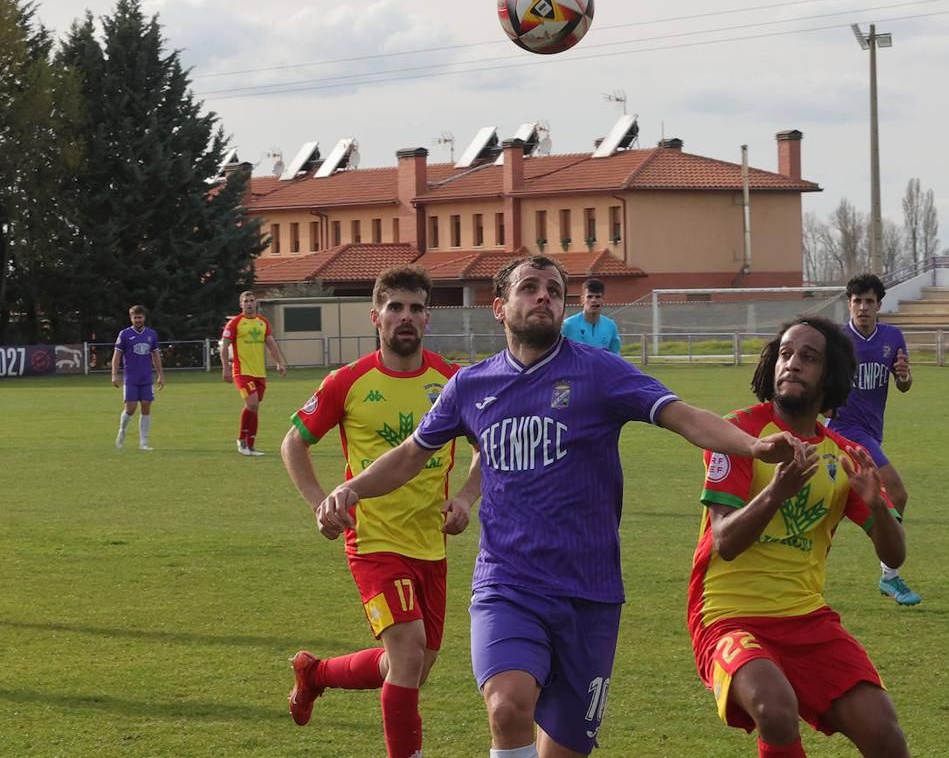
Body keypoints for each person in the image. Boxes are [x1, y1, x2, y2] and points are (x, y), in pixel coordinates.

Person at [313, 255, 804, 758]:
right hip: (508, 585)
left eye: (553, 288)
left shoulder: (601, 372)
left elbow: (684, 417)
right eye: (530, 287)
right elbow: (409, 456)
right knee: (507, 706)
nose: (544, 295)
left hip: (590, 594)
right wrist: (353, 488)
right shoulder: (470, 386)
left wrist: (753, 446)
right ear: (501, 308)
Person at [281, 266, 481, 758]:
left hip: (430, 542)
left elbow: (487, 447)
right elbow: (294, 442)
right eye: (395, 307)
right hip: (372, 540)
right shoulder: (347, 381)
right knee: (408, 654)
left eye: (415, 308)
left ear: (427, 319)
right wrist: (321, 507)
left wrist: (466, 497)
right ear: (376, 316)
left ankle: (316, 673)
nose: (405, 317)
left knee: (413, 665)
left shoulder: (452, 382)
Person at [689, 316, 910, 758]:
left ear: (829, 377)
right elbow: (725, 542)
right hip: (729, 616)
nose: (792, 364)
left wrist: (880, 507)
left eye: (808, 358)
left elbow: (895, 555)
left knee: (883, 731)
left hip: (807, 619)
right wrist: (776, 492)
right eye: (786, 354)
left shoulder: (845, 456)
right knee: (775, 707)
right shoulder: (741, 435)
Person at [827, 273, 922, 606]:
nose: (863, 307)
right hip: (842, 428)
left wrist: (905, 377)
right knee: (896, 492)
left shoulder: (892, 337)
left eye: (869, 301)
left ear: (879, 305)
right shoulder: (837, 339)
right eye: (857, 301)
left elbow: (904, 384)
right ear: (849, 304)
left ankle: (798, 571)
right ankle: (890, 576)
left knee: (830, 503)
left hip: (871, 431)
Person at [219, 290, 287, 456]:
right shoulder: (235, 323)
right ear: (241, 304)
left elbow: (271, 345)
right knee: (252, 403)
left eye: (252, 300)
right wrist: (226, 368)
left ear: (256, 303)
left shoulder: (262, 322)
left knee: (255, 408)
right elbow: (224, 346)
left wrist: (279, 363)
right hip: (242, 371)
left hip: (259, 373)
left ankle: (251, 445)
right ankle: (241, 440)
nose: (249, 304)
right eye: (246, 301)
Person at [111, 304, 165, 450]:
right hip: (131, 378)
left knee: (146, 405)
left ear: (144, 318)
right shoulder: (125, 334)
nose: (138, 320)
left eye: (140, 317)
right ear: (131, 318)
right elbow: (117, 355)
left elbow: (155, 355)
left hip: (146, 377)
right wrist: (114, 375)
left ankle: (144, 442)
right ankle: (122, 431)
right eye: (135, 317)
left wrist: (160, 374)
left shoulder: (151, 334)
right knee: (130, 409)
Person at [561, 278, 622, 354]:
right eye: (589, 297)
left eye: (598, 297)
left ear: (603, 299)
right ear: (582, 300)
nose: (593, 300)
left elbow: (615, 356)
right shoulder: (567, 325)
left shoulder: (610, 326)